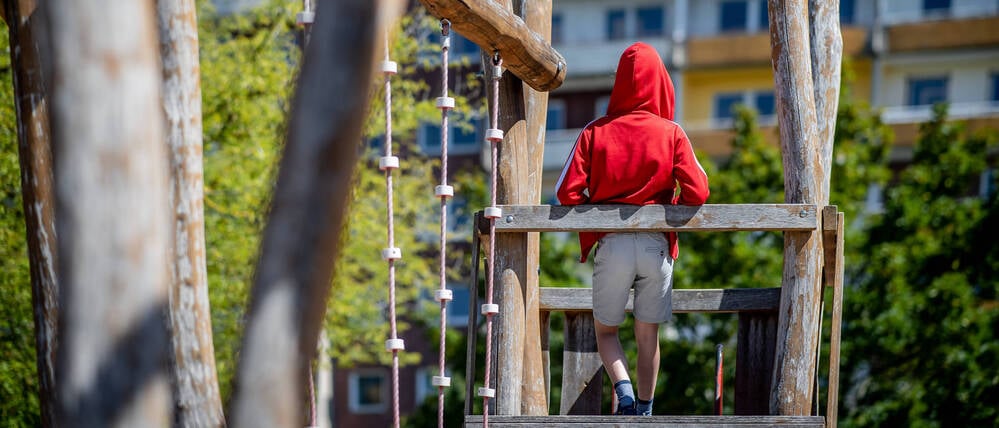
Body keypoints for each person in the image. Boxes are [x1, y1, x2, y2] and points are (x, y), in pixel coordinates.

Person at [555, 42, 710, 416]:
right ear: (661, 82)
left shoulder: (595, 131)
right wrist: (666, 206)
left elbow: (566, 192)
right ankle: (644, 409)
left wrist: (601, 200)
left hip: (612, 247)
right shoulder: (671, 132)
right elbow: (699, 191)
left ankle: (622, 392)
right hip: (656, 246)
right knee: (648, 336)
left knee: (606, 332)